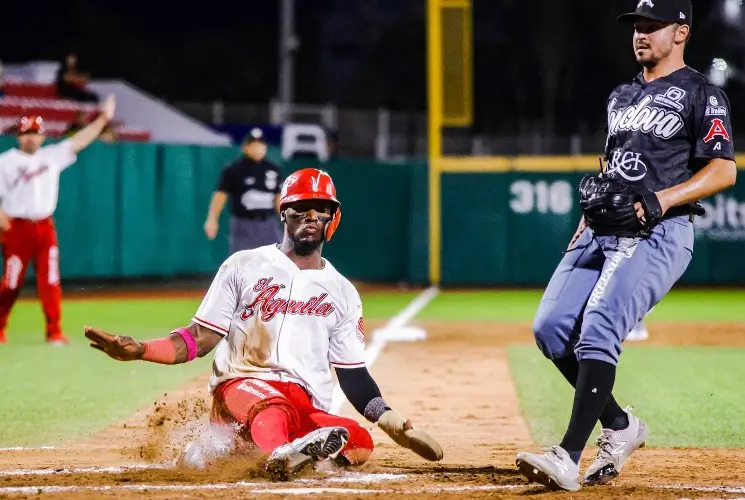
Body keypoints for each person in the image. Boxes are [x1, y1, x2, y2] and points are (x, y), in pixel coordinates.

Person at [84, 168, 443, 480]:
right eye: (301, 208)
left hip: (302, 404)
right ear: (284, 213)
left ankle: (272, 456)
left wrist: (393, 422)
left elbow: (353, 375)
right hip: (242, 389)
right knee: (273, 409)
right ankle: (281, 457)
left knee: (358, 440)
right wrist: (140, 350)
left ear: (334, 218)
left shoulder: (343, 293)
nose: (311, 216)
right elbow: (200, 339)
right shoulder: (243, 265)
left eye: (322, 209)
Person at [515, 0, 736, 491]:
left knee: (598, 328)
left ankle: (568, 456)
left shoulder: (701, 94)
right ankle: (620, 425)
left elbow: (724, 169)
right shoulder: (620, 96)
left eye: (652, 26)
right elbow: (611, 168)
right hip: (599, 230)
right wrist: (582, 222)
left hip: (660, 230)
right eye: (637, 25)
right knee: (550, 329)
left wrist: (662, 199)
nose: (640, 34)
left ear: (681, 32)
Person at [0, 95, 117, 344]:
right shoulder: (6, 161)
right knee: (11, 282)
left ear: (42, 136)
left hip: (44, 226)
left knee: (50, 281)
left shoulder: (51, 156)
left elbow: (79, 141)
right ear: (18, 136)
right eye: (26, 133)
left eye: (35, 132)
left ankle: (54, 332)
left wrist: (103, 119)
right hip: (16, 227)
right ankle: (0, 327)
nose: (30, 137)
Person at [204, 128, 283, 254]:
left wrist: (288, 221)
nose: (258, 148)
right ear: (245, 147)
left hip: (268, 223)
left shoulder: (273, 169)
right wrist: (212, 218)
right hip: (244, 224)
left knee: (278, 260)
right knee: (242, 263)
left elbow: (279, 198)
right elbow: (220, 195)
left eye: (261, 144)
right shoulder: (234, 169)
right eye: (254, 144)